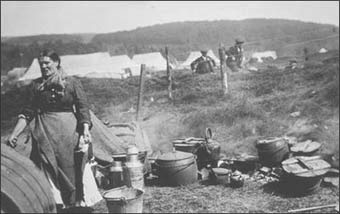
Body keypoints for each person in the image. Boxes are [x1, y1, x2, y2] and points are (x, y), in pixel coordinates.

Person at [6, 50, 92, 209]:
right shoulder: (36, 85)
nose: (43, 67)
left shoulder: (71, 83)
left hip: (69, 132)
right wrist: (14, 134)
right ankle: (58, 203)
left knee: (73, 165)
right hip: (45, 132)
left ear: (57, 62)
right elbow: (28, 112)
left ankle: (78, 201)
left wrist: (85, 128)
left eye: (47, 63)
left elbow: (82, 108)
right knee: (47, 163)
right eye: (41, 64)